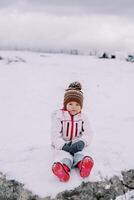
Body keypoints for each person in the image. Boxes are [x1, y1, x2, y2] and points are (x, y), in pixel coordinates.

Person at [51, 81, 94, 182]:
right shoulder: (59, 117)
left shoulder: (83, 117)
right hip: (63, 145)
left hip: (77, 143)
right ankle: (63, 170)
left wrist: (82, 142)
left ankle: (83, 165)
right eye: (70, 104)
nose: (74, 107)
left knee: (80, 154)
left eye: (77, 104)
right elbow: (54, 135)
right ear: (65, 104)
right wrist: (63, 146)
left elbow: (89, 133)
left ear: (81, 106)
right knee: (64, 156)